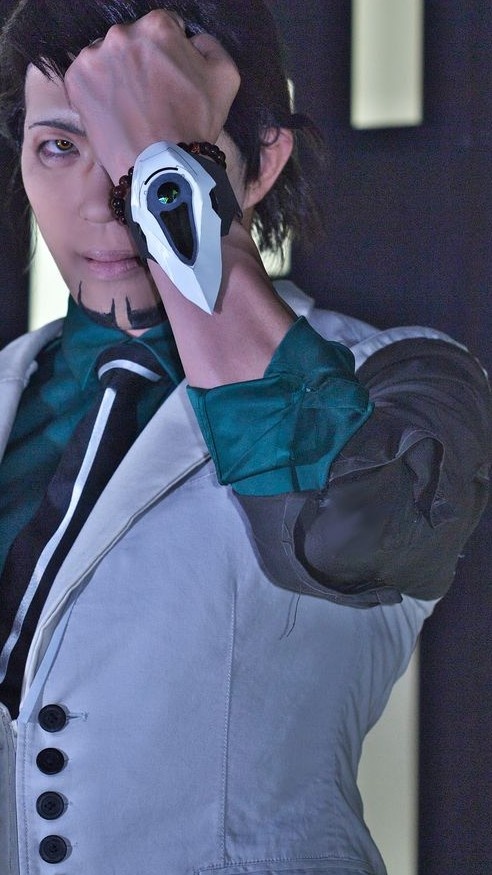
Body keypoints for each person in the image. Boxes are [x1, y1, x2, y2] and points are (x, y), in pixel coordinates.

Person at [0, 2, 490, 874]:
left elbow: (342, 526)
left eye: (143, 148)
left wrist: (175, 189)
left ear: (260, 163)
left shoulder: (400, 381)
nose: (109, 199)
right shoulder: (11, 389)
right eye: (62, 146)